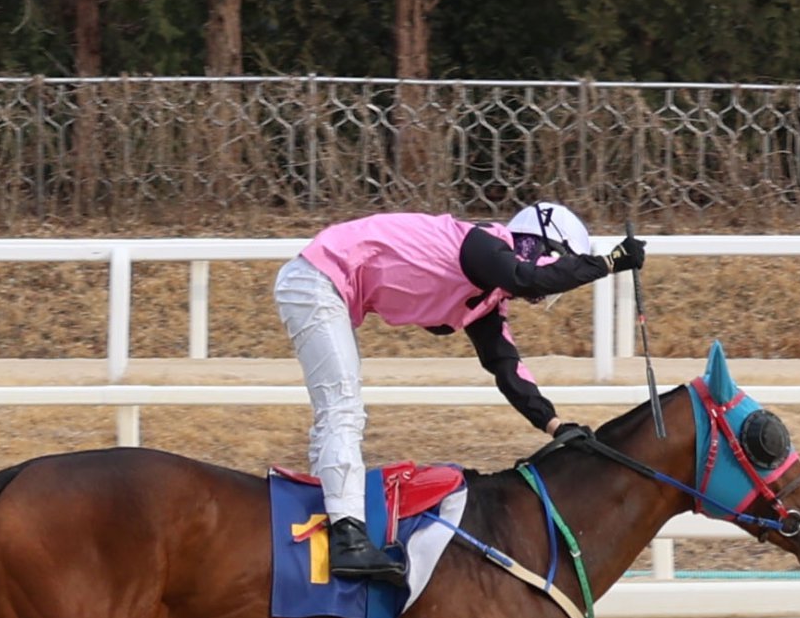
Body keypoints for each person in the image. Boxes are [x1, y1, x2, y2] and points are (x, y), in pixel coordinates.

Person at [274, 203, 647, 585]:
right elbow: (528, 277)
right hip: (317, 281)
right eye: (557, 261)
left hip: (323, 286)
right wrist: (609, 263)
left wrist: (556, 426)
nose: (535, 300)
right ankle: (347, 537)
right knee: (343, 410)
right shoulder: (481, 245)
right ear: (538, 243)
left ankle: (331, 516)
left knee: (340, 410)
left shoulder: (487, 293)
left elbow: (507, 367)